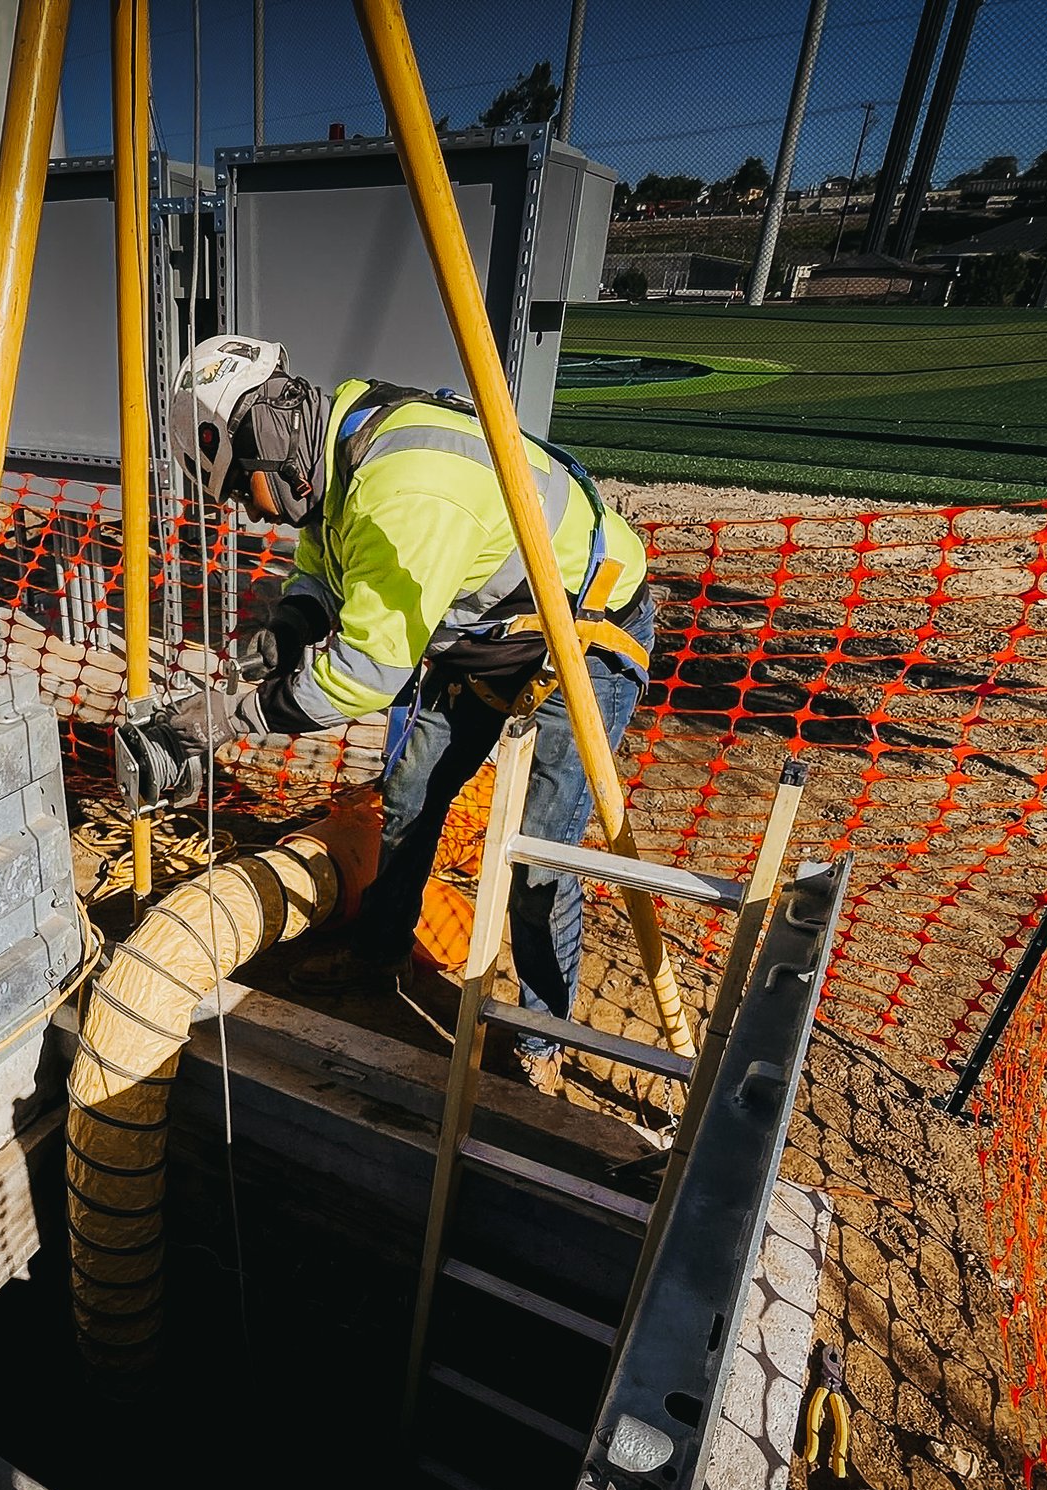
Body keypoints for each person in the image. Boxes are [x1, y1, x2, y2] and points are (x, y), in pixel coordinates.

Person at [129, 334, 654, 1095]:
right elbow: (321, 569)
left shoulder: (402, 491)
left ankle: (542, 1037)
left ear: (262, 445)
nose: (253, 511)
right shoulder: (335, 443)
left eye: (242, 490)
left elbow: (366, 676)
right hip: (492, 631)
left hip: (586, 632)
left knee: (542, 856)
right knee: (409, 797)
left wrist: (235, 716)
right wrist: (284, 634)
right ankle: (378, 956)